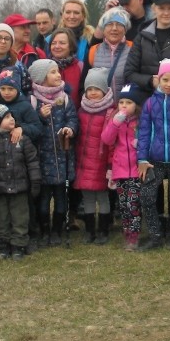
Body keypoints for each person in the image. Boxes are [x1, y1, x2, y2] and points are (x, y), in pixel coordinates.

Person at [136, 59, 170, 250]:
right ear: (159, 79)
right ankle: (155, 235)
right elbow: (143, 132)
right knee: (147, 197)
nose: (169, 84)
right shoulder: (150, 103)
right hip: (153, 160)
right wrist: (142, 158)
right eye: (165, 80)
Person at [0, 103, 41, 261]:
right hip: (0, 190)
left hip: (20, 188)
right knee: (2, 218)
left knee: (20, 218)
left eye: (11, 116)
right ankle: (3, 244)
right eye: (6, 117)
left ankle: (19, 244)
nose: (11, 119)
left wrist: (35, 182)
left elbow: (32, 162)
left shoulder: (23, 139)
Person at [28, 58, 78, 248]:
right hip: (41, 159)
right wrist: (40, 117)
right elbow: (30, 127)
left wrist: (70, 129)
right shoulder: (33, 100)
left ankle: (57, 229)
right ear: (41, 78)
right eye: (53, 72)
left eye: (58, 71)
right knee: (42, 201)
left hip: (62, 158)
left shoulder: (64, 98)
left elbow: (72, 118)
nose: (58, 75)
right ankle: (44, 230)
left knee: (61, 199)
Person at [102, 83, 146, 251]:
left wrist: (139, 144)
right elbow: (106, 139)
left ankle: (134, 236)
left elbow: (147, 138)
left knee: (133, 203)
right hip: (120, 170)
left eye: (129, 102)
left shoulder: (140, 121)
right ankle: (126, 231)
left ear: (136, 105)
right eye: (121, 102)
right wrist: (114, 123)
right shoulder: (116, 120)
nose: (124, 106)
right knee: (123, 204)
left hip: (135, 170)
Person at [75, 68, 115, 244]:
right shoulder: (81, 111)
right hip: (84, 162)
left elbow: (112, 143)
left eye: (97, 89)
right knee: (88, 198)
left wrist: (110, 165)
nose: (92, 92)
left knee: (103, 197)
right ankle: (90, 230)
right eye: (89, 89)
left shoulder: (110, 113)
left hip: (101, 163)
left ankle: (104, 229)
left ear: (104, 90)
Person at [86, 8, 132, 99]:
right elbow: (85, 83)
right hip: (101, 106)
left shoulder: (133, 48)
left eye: (119, 24)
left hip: (126, 105)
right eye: (109, 24)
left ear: (125, 29)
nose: (114, 28)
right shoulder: (93, 51)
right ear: (103, 29)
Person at [46, 28, 84, 109]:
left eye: (62, 43)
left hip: (75, 113)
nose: (57, 46)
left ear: (71, 46)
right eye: (53, 43)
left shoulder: (80, 66)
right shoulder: (45, 67)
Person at [58, 0, 96, 67]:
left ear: (83, 16)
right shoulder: (51, 40)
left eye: (76, 13)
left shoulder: (91, 38)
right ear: (62, 15)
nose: (72, 16)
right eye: (68, 12)